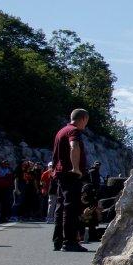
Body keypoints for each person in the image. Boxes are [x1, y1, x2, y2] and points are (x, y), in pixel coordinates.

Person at [51, 108, 91, 252]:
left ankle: (58, 240)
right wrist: (76, 168)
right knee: (71, 206)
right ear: (83, 119)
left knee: (61, 205)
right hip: (70, 173)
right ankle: (70, 241)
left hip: (60, 173)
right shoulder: (74, 131)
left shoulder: (61, 131)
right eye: (86, 121)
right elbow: (74, 147)